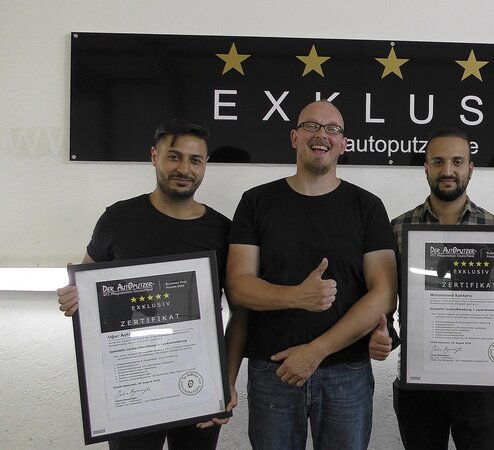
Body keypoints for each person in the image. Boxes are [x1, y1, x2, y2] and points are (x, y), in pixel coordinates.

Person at [56, 119, 247, 450]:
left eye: (195, 160)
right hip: (131, 386)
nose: (184, 169)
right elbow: (88, 281)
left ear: (205, 165)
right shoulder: (118, 219)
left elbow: (240, 315)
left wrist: (226, 381)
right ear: (154, 156)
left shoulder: (222, 230)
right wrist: (74, 297)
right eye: (174, 156)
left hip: (199, 383)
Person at [225, 100, 397, 450]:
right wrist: (295, 296)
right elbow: (239, 286)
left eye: (332, 129)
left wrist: (316, 351)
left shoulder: (367, 207)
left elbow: (383, 294)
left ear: (344, 143)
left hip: (346, 373)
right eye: (311, 126)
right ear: (294, 137)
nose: (322, 135)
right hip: (273, 371)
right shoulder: (255, 202)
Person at [368, 128, 494, 449]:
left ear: (471, 169)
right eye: (438, 162)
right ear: (426, 167)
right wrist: (384, 338)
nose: (447, 170)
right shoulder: (396, 229)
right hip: (418, 384)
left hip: (481, 385)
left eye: (457, 162)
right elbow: (385, 301)